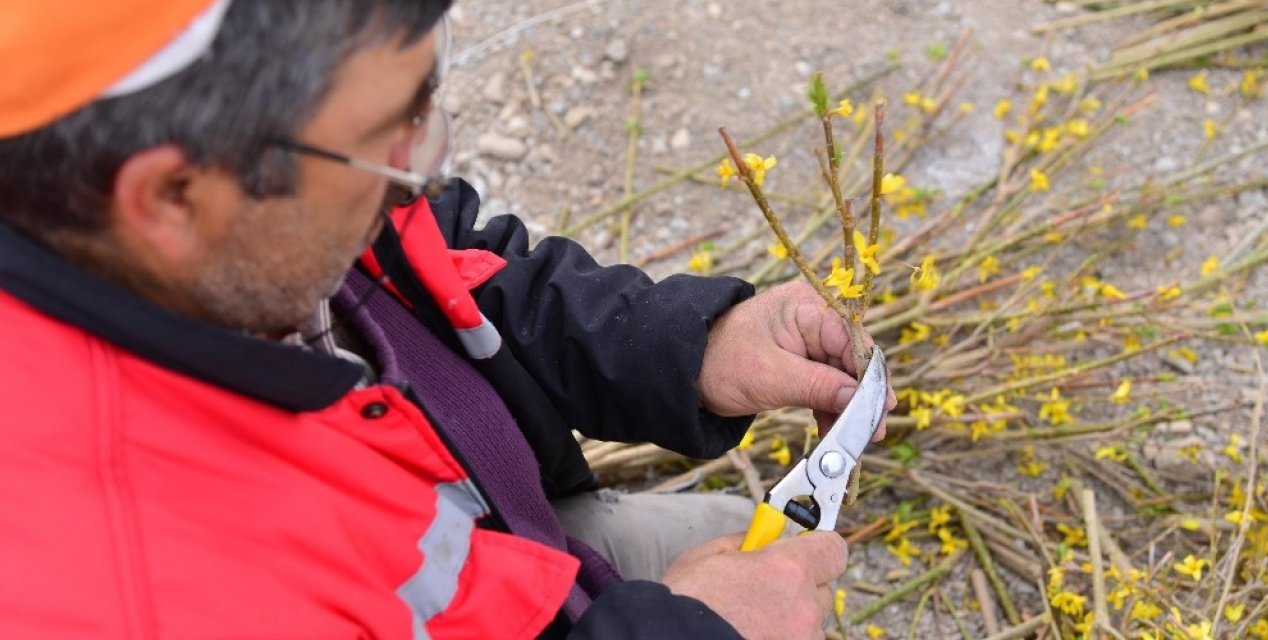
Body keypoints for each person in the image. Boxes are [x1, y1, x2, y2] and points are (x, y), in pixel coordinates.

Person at [0, 1, 893, 638]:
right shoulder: (130, 593)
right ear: (171, 195)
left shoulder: (264, 213)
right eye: (396, 126)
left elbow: (444, 266)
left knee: (740, 553)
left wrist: (687, 346)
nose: (418, 172)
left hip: (511, 550)